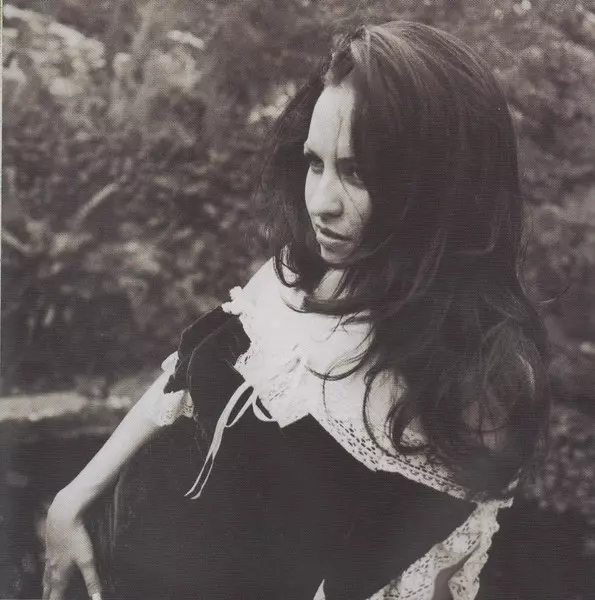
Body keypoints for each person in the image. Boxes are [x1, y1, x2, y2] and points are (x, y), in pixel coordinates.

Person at [43, 20, 551, 600]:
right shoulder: (298, 269)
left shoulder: (470, 383)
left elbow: (416, 579)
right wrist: (73, 499)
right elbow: (180, 379)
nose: (321, 203)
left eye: (357, 173)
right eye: (315, 163)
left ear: (442, 184)